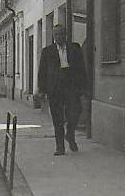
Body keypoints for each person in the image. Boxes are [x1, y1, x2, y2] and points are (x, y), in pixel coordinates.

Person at [37, 24, 87, 156]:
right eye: (56, 35)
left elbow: (82, 69)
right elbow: (42, 72)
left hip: (71, 87)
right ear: (53, 36)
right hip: (55, 89)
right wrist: (42, 90)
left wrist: (84, 87)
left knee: (75, 112)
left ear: (65, 35)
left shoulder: (75, 48)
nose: (58, 37)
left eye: (61, 34)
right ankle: (60, 147)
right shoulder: (47, 51)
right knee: (57, 118)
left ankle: (70, 135)